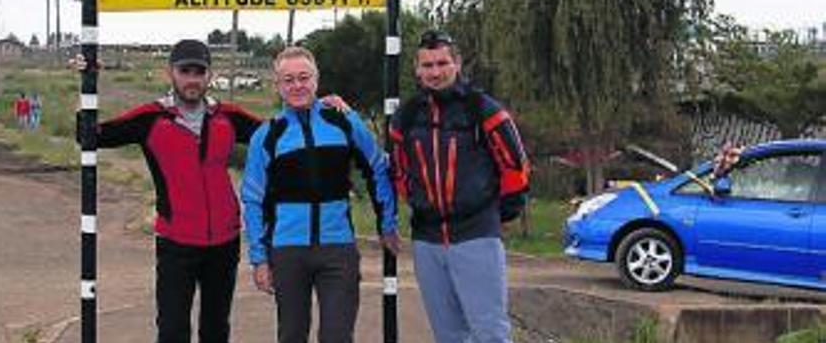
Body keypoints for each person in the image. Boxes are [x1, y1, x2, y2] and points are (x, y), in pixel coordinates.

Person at [77, 39, 261, 343]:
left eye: (199, 72)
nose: (192, 79)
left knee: (216, 329)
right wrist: (87, 83)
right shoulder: (150, 118)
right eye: (184, 71)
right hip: (176, 242)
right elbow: (88, 135)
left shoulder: (227, 116)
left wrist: (325, 107)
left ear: (209, 76)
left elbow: (281, 133)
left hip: (225, 241)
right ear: (170, 74)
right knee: (173, 330)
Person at [241, 46, 399, 343]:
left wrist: (386, 224)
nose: (297, 86)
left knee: (337, 336)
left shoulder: (343, 121)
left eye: (304, 77)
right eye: (288, 80)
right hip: (287, 251)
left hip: (337, 248)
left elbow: (378, 169)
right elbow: (252, 199)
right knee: (291, 335)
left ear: (316, 79)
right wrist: (259, 258)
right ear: (278, 85)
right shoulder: (267, 135)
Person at [389, 30, 530, 343]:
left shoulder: (482, 109)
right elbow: (398, 171)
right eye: (427, 65)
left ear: (457, 64)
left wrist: (497, 214)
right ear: (417, 69)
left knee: (490, 333)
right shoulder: (406, 115)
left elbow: (516, 167)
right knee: (448, 335)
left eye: (442, 63)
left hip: (476, 235)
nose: (435, 72)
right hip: (427, 240)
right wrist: (416, 202)